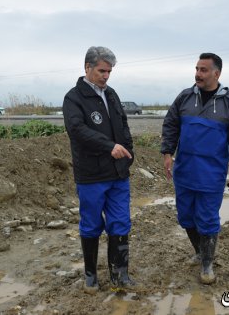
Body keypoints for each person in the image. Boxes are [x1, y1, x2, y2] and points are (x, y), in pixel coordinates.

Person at [160, 53, 229, 284]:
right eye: (197, 68)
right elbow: (170, 124)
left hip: (212, 173)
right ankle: (199, 251)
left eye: (204, 70)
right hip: (185, 171)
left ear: (216, 74)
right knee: (186, 216)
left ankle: (207, 265)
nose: (198, 73)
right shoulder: (185, 98)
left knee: (207, 219)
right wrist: (167, 152)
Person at [63, 46, 136, 294]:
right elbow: (77, 131)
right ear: (88, 68)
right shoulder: (74, 98)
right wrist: (109, 147)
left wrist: (128, 153)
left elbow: (123, 127)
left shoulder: (112, 94)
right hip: (91, 175)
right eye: (102, 71)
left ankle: (120, 274)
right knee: (91, 224)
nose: (106, 76)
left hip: (118, 174)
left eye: (109, 71)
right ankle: (91, 275)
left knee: (120, 222)